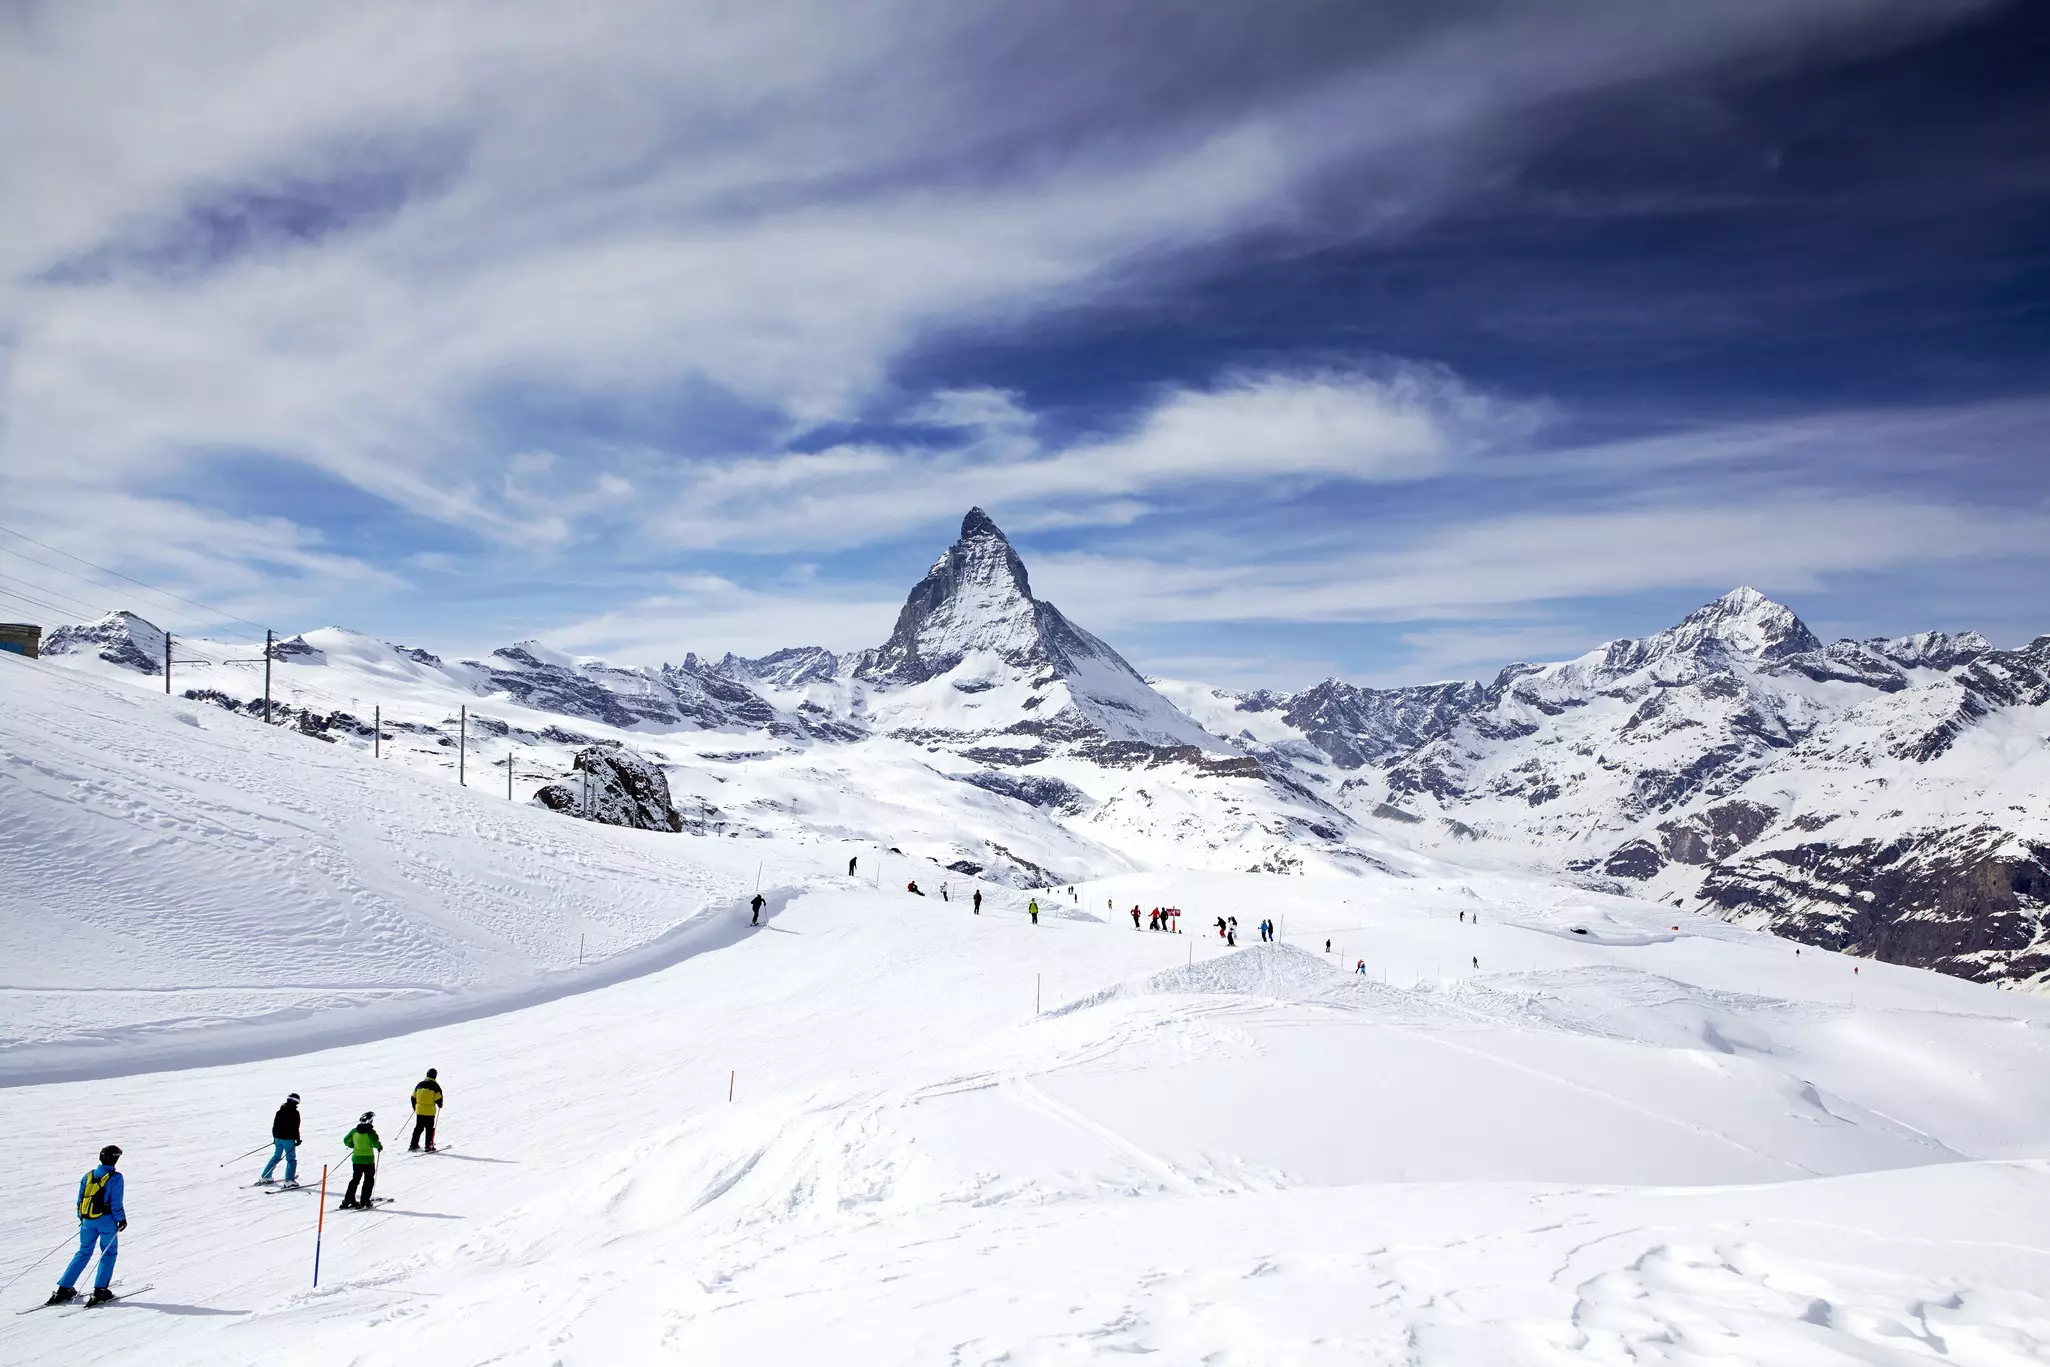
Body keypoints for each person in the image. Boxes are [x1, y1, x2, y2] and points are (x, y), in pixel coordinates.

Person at [47, 1145, 126, 1305]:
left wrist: (83, 1219)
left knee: (83, 1252)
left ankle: (64, 1289)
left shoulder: (88, 1176)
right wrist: (121, 1219)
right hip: (106, 1221)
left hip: (87, 1221)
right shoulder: (115, 1177)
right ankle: (100, 1291)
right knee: (108, 1253)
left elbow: (80, 1201)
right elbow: (116, 1202)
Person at [341, 1112, 383, 1208]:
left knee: (355, 1179)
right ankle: (365, 1200)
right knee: (368, 1180)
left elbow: (346, 1140)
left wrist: (353, 1145)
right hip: (368, 1160)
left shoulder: (354, 1131)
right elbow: (375, 1143)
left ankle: (348, 1200)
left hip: (356, 1160)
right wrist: (379, 1146)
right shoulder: (371, 1133)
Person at [260, 1093, 302, 1185]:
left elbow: (274, 1126)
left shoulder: (280, 1111)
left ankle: (265, 1176)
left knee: (276, 1157)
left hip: (278, 1138)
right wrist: (297, 1139)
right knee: (291, 1159)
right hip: (288, 1139)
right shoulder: (295, 1113)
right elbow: (295, 1128)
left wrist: (275, 1138)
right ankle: (289, 1180)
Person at [409, 1070, 444, 1152]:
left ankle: (413, 1145)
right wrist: (440, 1104)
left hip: (420, 1111)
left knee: (418, 1128)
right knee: (429, 1129)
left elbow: (413, 1097)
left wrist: (414, 1107)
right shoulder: (435, 1086)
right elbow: (438, 1099)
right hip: (429, 1112)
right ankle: (428, 1146)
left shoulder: (420, 1084)